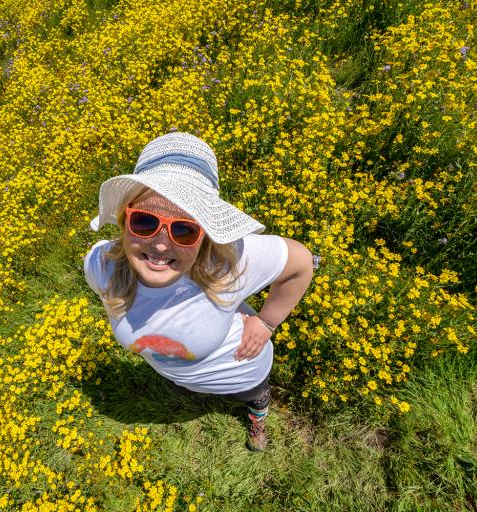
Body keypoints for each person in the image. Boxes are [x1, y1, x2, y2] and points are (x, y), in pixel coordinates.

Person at [83, 132, 314, 451]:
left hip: (241, 371)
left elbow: (301, 261)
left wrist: (266, 322)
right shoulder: (101, 266)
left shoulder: (228, 261)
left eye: (184, 229)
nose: (161, 244)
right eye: (145, 222)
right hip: (181, 375)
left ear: (206, 235)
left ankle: (257, 420)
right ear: (124, 221)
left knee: (256, 396)